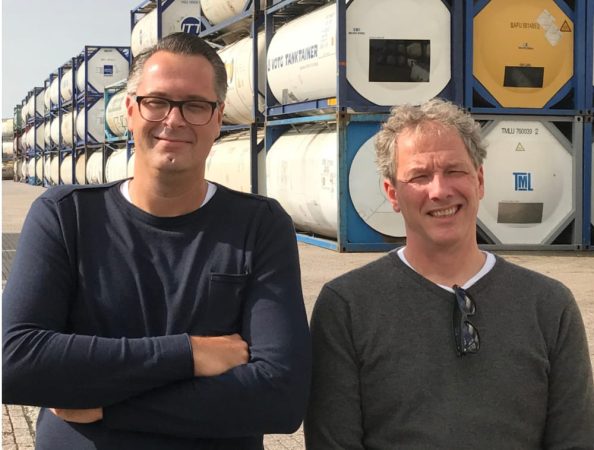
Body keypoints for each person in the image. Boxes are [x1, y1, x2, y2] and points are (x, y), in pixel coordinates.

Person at [3, 32, 311, 449]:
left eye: (196, 105)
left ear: (219, 117)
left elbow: (281, 397)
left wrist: (106, 405)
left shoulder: (258, 226)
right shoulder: (66, 215)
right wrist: (188, 354)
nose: (175, 119)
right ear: (130, 110)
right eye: (157, 102)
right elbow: (15, 362)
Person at [304, 98, 594, 449]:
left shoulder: (548, 306)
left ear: (480, 180)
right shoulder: (348, 307)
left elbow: (574, 439)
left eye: (454, 171)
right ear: (392, 193)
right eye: (419, 176)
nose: (440, 190)